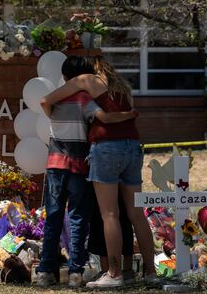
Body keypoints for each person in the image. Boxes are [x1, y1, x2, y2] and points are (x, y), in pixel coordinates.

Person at [41, 55, 157, 288]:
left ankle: (114, 274)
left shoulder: (85, 80)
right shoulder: (121, 87)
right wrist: (128, 116)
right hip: (133, 146)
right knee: (136, 214)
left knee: (110, 215)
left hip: (107, 150)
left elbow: (47, 99)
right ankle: (150, 272)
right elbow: (126, 112)